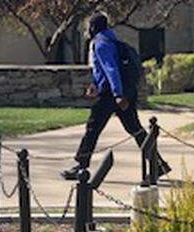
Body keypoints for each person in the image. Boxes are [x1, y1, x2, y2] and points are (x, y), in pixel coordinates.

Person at [61, 13, 169, 181]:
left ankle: (81, 165)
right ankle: (159, 165)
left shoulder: (101, 44)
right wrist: (96, 85)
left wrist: (118, 94)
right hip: (120, 93)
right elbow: (104, 71)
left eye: (88, 26)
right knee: (136, 129)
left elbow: (111, 70)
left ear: (93, 27)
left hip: (111, 96)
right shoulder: (113, 41)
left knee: (92, 129)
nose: (87, 30)